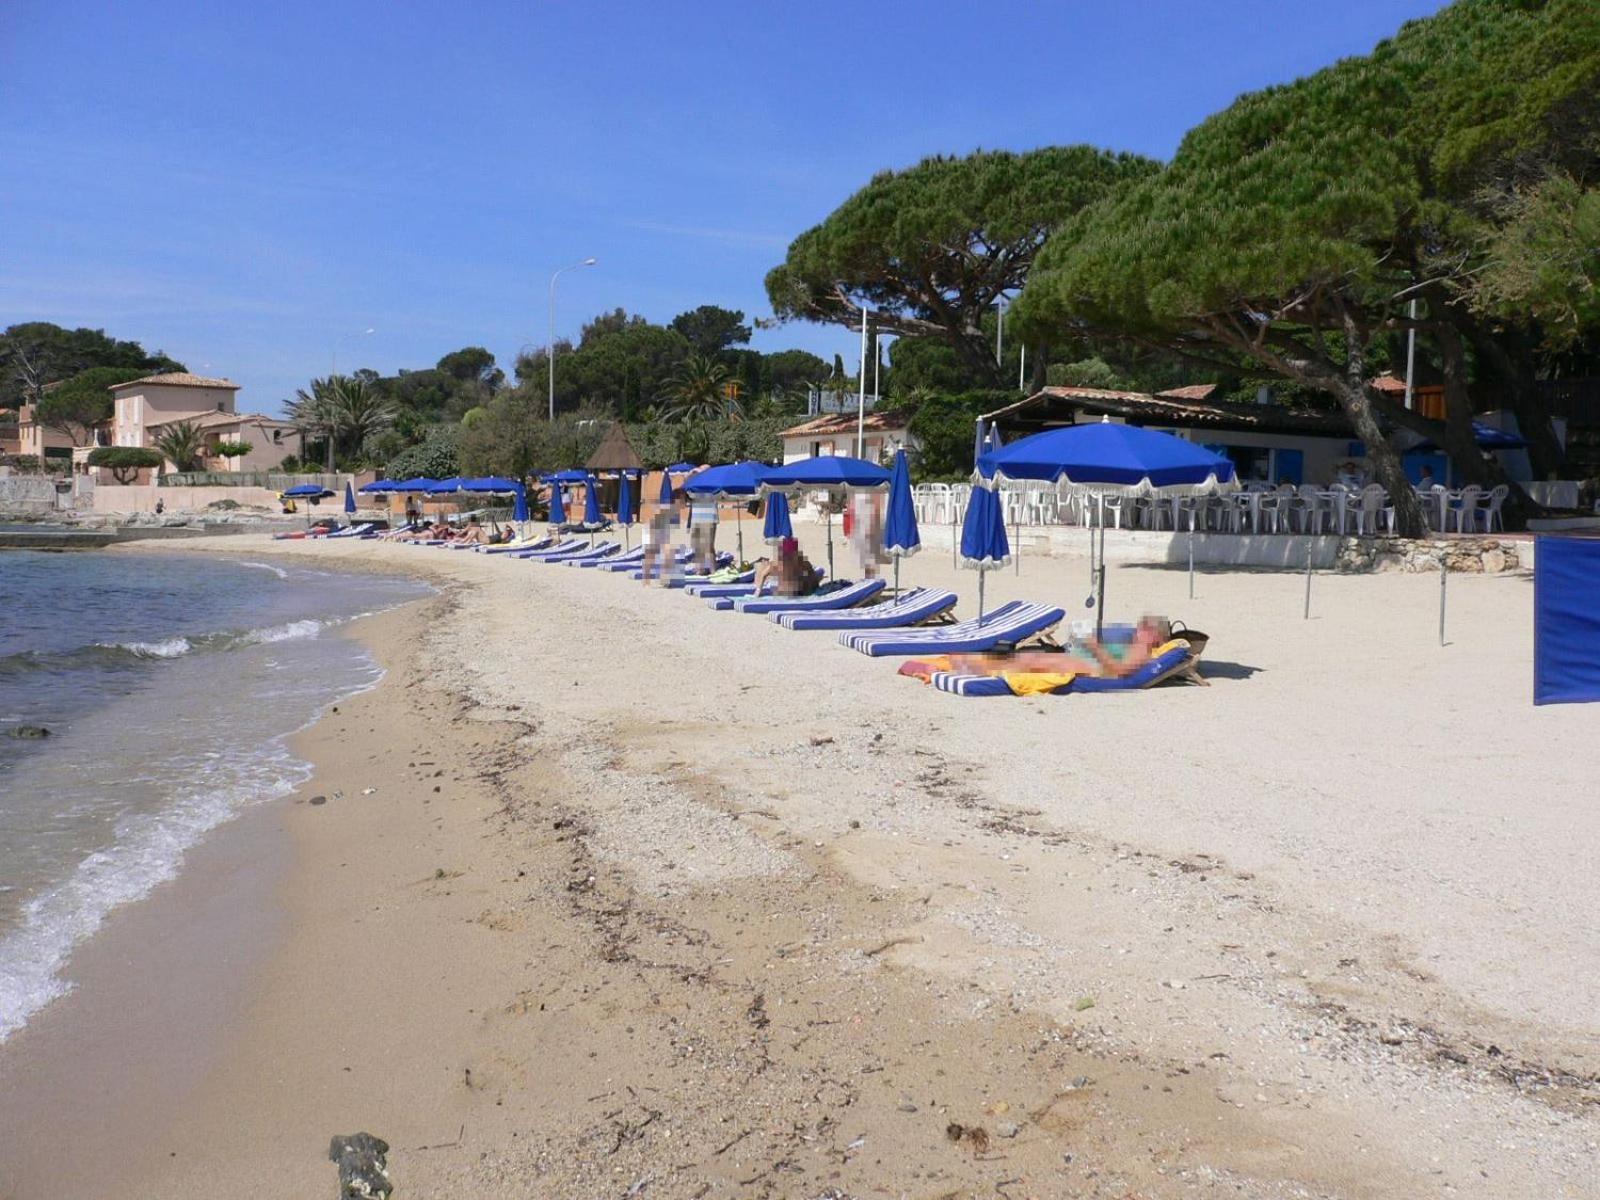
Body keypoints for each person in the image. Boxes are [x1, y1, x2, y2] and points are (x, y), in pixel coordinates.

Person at [946, 615, 1174, 679]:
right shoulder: (1134, 641)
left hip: (1095, 668)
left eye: (1145, 627)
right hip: (1089, 660)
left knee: (1034, 661)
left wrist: (1095, 648)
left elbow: (1120, 671)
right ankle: (977, 665)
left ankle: (975, 668)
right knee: (1033, 659)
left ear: (1155, 636)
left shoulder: (1142, 649)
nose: (1139, 627)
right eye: (1141, 624)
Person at [751, 536, 820, 597]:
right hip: (792, 591)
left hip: (786, 591)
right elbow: (812, 576)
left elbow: (763, 574)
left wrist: (758, 591)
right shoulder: (801, 563)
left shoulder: (777, 563)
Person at [688, 489, 719, 572]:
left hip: (709, 515)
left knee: (708, 547)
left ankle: (713, 571)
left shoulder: (711, 479)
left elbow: (719, 494)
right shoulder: (693, 482)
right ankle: (700, 570)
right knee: (697, 546)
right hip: (696, 516)